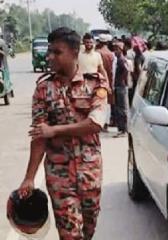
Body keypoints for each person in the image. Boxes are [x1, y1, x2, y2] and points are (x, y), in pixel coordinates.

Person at [18, 27, 109, 240]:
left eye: (57, 52)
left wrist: (55, 130)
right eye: (49, 51)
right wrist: (29, 178)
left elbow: (95, 123)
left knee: (88, 229)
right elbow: (40, 136)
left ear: (74, 52)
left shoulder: (95, 83)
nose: (50, 57)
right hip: (59, 175)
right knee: (70, 235)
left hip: (90, 173)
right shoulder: (43, 89)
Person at [97, 34, 115, 130]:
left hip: (98, 81)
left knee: (99, 102)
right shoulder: (111, 54)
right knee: (107, 103)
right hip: (109, 81)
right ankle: (106, 123)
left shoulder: (97, 53)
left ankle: (99, 122)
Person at [113, 41, 129, 137]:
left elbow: (125, 70)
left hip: (120, 86)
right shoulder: (119, 59)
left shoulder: (121, 60)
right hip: (119, 85)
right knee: (119, 107)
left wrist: (122, 80)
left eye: (116, 49)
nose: (115, 51)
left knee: (121, 108)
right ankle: (121, 128)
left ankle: (123, 129)